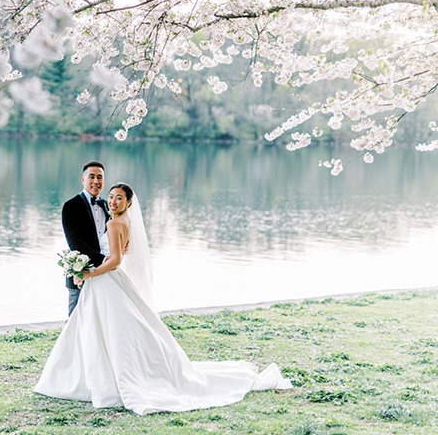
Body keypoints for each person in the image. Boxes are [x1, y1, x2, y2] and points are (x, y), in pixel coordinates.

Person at [35, 183, 292, 415]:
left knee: (104, 329)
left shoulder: (113, 224)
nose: (112, 201)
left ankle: (88, 379)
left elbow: (114, 261)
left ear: (129, 203)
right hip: (108, 282)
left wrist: (88, 273)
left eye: (119, 198)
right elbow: (119, 253)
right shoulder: (123, 221)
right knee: (104, 327)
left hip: (105, 280)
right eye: (111, 197)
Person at [60, 160, 110, 316]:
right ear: (83, 180)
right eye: (92, 177)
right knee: (75, 321)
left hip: (104, 275)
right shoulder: (71, 206)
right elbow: (76, 244)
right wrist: (105, 260)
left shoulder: (108, 206)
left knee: (97, 322)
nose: (96, 181)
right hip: (80, 273)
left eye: (100, 177)